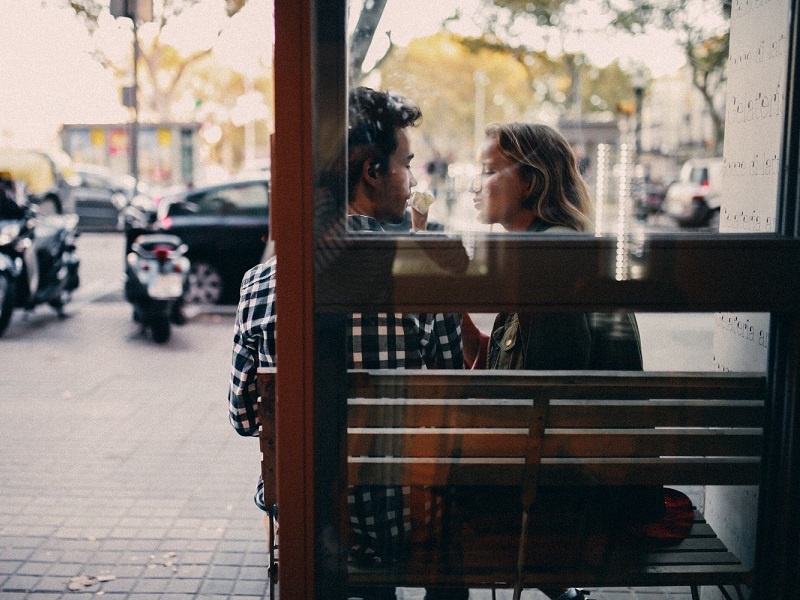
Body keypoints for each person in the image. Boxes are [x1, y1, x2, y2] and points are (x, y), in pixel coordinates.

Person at [228, 86, 464, 600]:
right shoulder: (425, 278)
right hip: (404, 524)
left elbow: (245, 418)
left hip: (307, 522)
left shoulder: (259, 283)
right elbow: (453, 410)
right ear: (372, 171)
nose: (412, 178)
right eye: (407, 163)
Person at [465, 122, 665, 600]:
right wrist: (451, 295)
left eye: (490, 171)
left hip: (583, 501)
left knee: (425, 488)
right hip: (578, 481)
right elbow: (502, 363)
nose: (476, 184)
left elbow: (544, 400)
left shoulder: (553, 257)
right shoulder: (545, 248)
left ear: (530, 182)